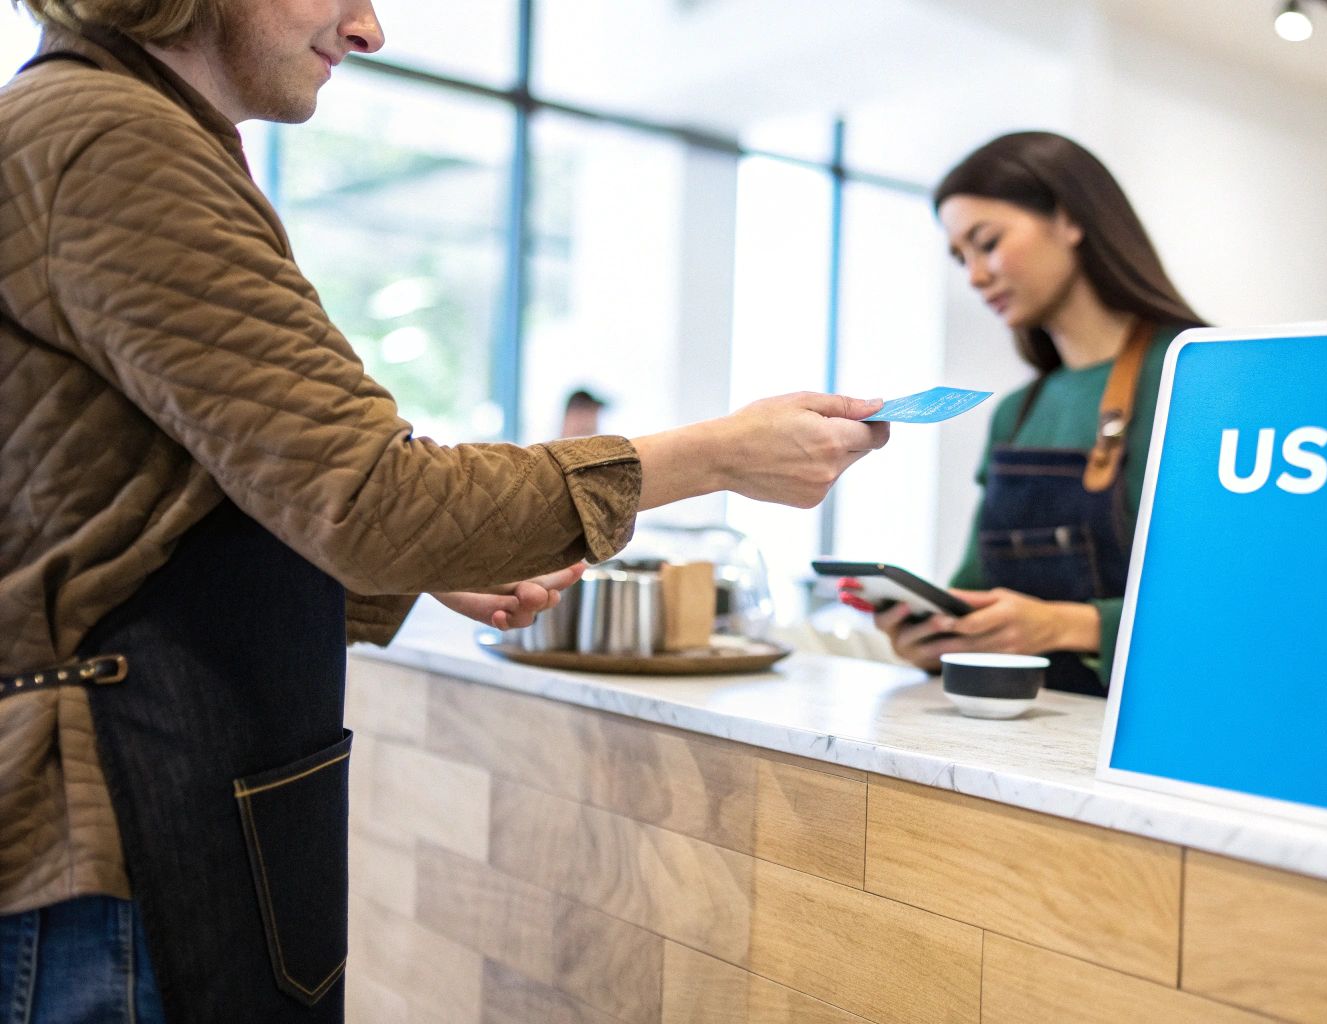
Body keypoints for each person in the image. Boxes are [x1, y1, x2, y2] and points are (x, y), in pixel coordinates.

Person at [0, 2, 888, 1021]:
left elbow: (135, 500)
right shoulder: (116, 142)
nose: (369, 27)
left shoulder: (82, 127)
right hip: (114, 827)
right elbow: (375, 499)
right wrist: (718, 455)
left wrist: (418, 560)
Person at [866, 131, 1205, 695]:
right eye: (961, 257)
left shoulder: (1206, 376)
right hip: (1018, 740)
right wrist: (935, 638)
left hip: (1160, 737)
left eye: (988, 241)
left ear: (1069, 220)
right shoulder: (1017, 414)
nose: (975, 276)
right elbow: (974, 590)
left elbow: (1240, 608)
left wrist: (1064, 625)